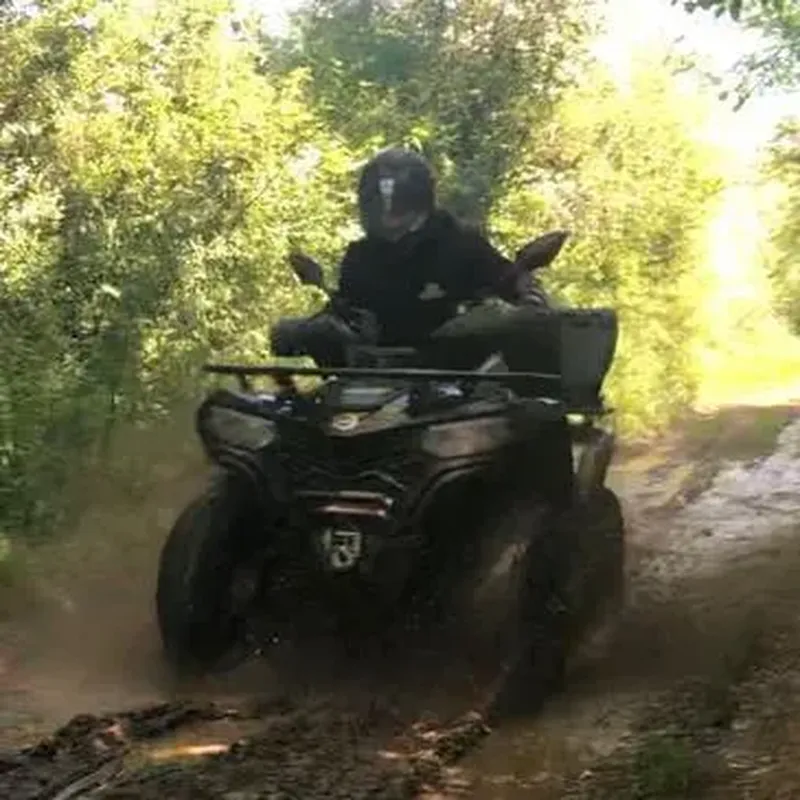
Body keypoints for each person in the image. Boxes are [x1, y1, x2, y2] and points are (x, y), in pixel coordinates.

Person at [291, 147, 551, 347]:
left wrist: (527, 298)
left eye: (400, 204)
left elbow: (511, 284)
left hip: (462, 378)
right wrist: (329, 322)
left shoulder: (460, 244)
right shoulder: (360, 257)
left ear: (420, 202)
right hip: (376, 379)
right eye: (377, 204)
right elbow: (349, 310)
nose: (388, 214)